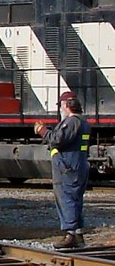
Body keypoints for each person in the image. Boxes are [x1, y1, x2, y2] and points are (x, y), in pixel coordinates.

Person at [34, 91, 92, 249]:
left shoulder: (72, 122)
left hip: (68, 167)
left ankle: (71, 234)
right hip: (77, 164)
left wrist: (42, 131)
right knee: (75, 198)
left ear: (66, 105)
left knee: (67, 198)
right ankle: (78, 233)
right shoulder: (83, 122)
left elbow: (57, 139)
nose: (60, 108)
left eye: (61, 105)